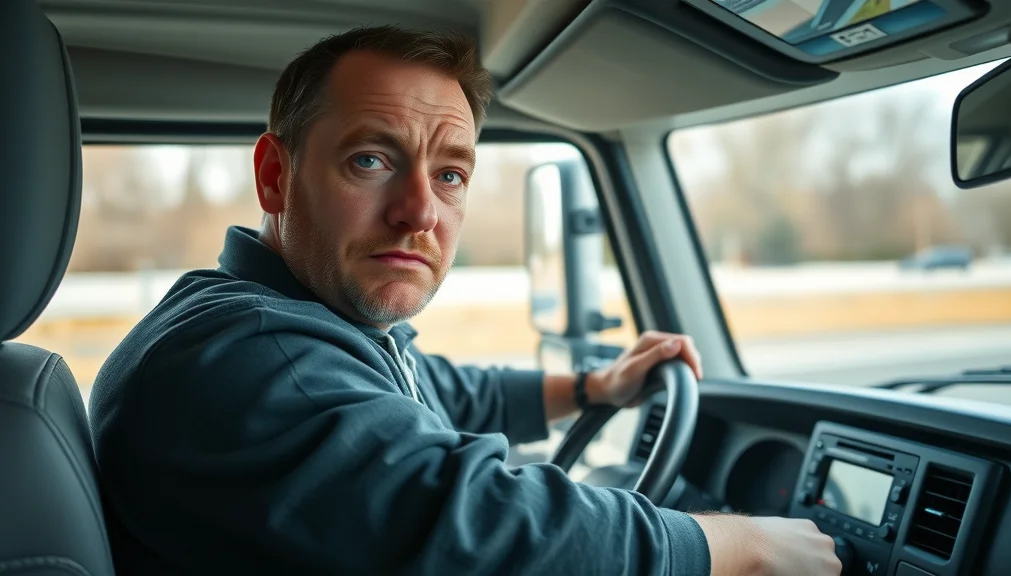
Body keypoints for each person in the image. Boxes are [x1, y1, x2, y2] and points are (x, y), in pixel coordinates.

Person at [89, 26, 841, 575]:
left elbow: (436, 388)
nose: (420, 211)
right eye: (372, 159)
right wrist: (745, 547)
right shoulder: (250, 359)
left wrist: (592, 387)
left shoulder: (290, 324)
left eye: (450, 174)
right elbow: (482, 525)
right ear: (276, 177)